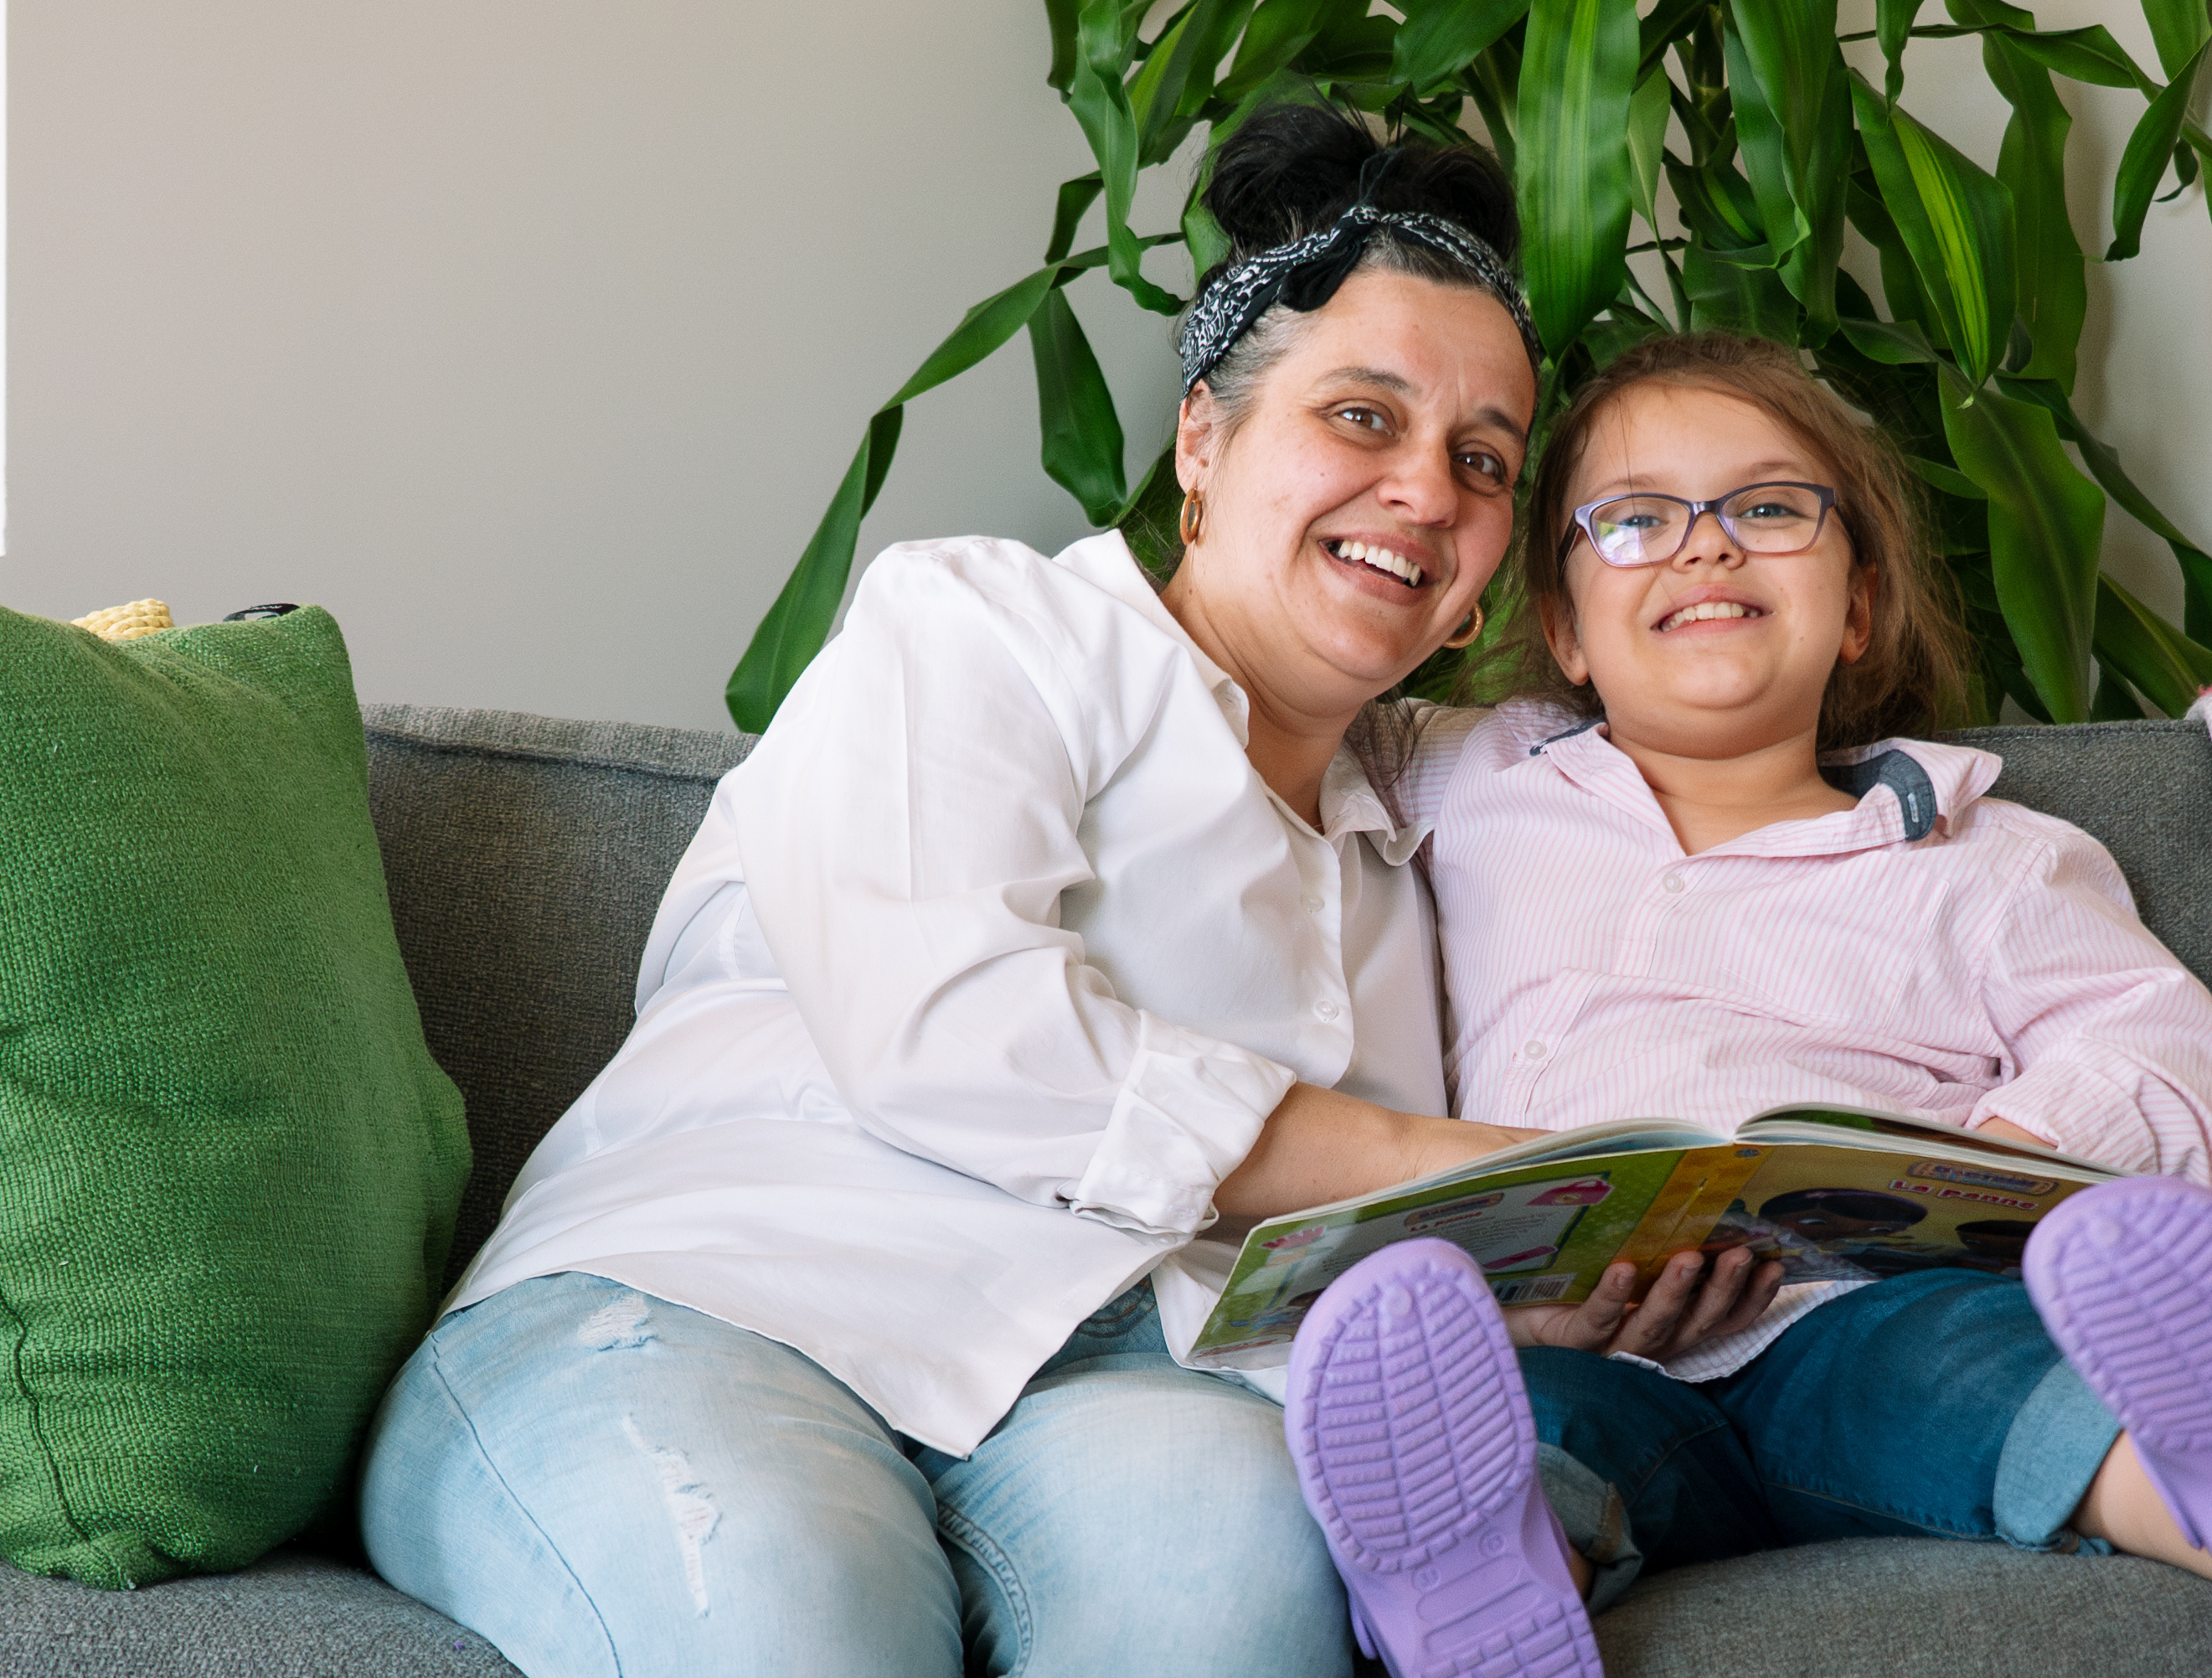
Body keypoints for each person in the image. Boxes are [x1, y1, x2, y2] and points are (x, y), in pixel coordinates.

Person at [357, 106, 1777, 1678]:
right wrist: (1468, 1169)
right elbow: (949, 1024)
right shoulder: (982, 629)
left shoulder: (1455, 827)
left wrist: (1539, 1282)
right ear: (1205, 443)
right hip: (713, 1292)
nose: (1426, 493)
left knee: (1238, 1581)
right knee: (794, 1611)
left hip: (1132, 1385)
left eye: (1483, 460)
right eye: (1362, 418)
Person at [1278, 334, 2212, 1678]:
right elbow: (1269, 708)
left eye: (1768, 509)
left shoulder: (1982, 854)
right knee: (1520, 1425)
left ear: (1861, 607)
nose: (1706, 549)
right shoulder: (1466, 777)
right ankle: (1482, 1582)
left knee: (1958, 1372)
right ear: (1562, 630)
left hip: (1862, 1303)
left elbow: (2155, 1047)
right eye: (1639, 518)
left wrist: (2014, 1161)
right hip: (1589, 1336)